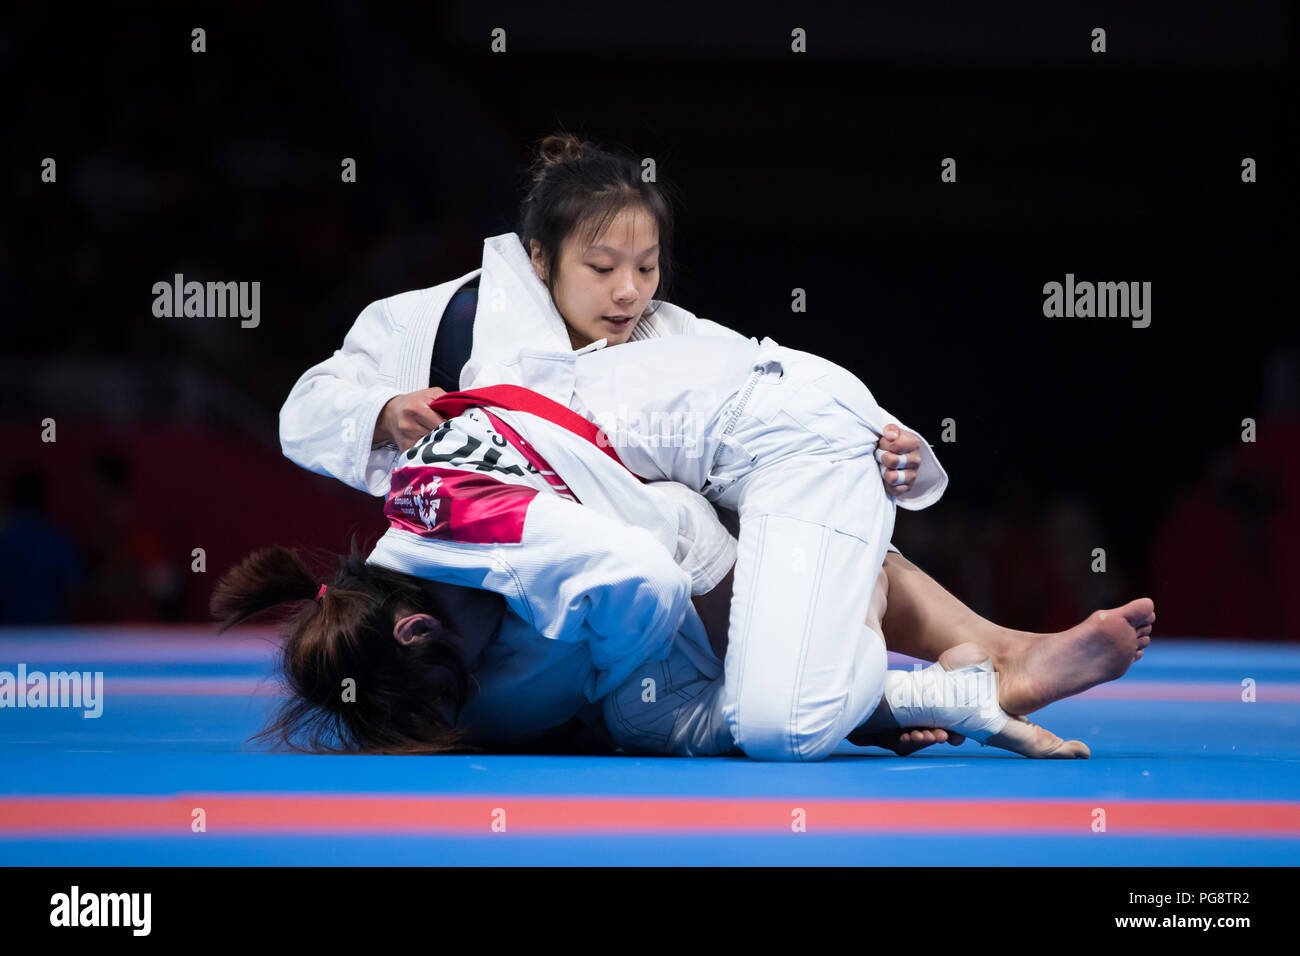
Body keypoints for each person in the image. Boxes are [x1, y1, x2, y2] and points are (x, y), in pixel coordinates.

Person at [277, 132, 1153, 749]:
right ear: (539, 258)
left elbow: (793, 430)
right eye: (602, 268)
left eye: (646, 267)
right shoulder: (451, 318)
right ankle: (910, 682)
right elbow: (306, 408)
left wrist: (912, 464)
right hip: (508, 565)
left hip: (655, 544)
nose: (628, 292)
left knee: (732, 615)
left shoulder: (671, 335)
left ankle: (974, 658)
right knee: (647, 684)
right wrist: (382, 411)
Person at [215, 389, 1108, 760]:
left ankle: (885, 663)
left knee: (761, 731)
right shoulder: (396, 573)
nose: (473, 689)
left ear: (414, 624)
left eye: (456, 678)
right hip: (654, 577)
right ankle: (940, 695)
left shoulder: (485, 526)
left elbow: (643, 581)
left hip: (696, 575)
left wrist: (590, 699)